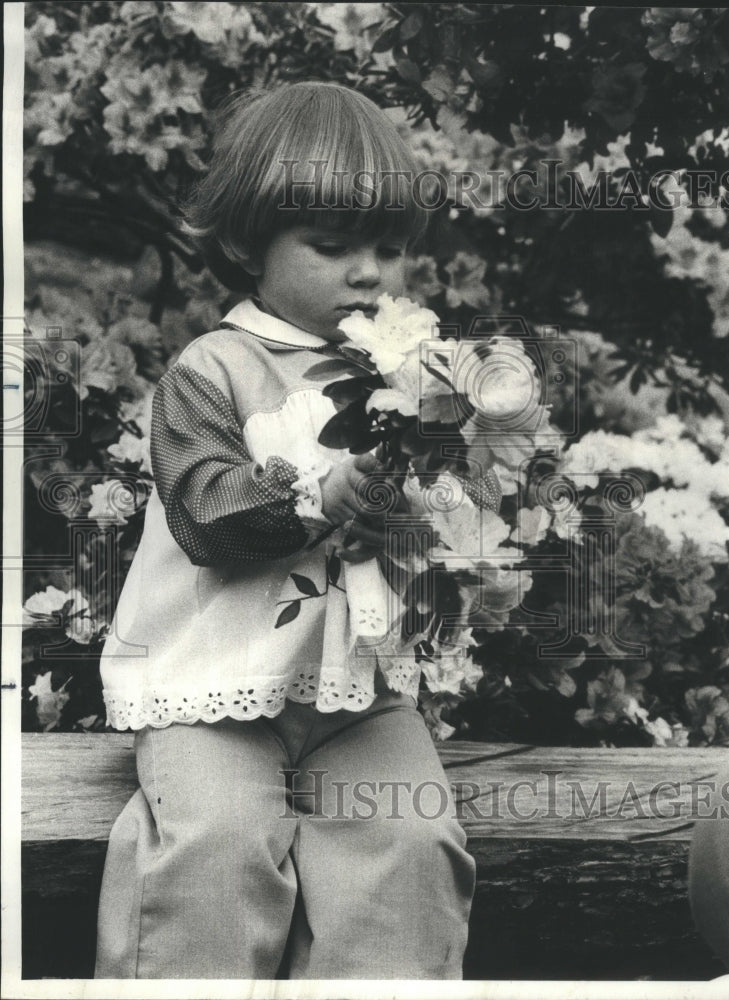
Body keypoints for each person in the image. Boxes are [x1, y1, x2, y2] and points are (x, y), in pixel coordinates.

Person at [94, 82, 496, 980]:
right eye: (333, 245)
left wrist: (450, 499)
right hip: (212, 690)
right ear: (248, 243)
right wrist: (323, 492)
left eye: (390, 250)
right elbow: (203, 509)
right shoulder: (212, 369)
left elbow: (441, 519)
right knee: (215, 850)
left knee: (410, 843)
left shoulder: (407, 373)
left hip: (355, 697)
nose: (369, 273)